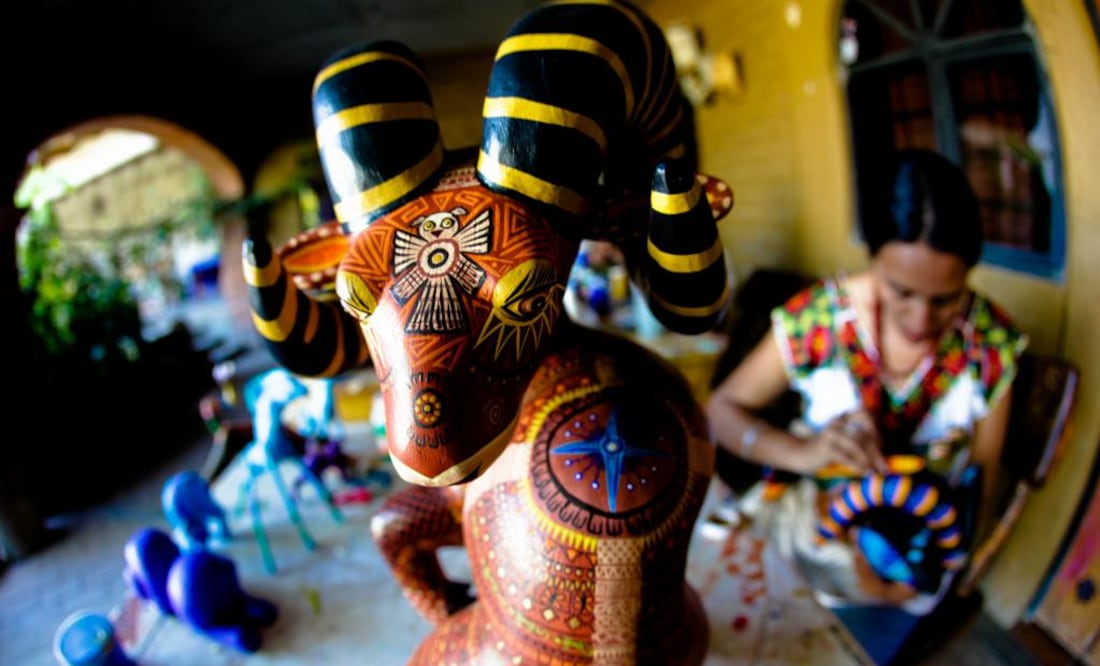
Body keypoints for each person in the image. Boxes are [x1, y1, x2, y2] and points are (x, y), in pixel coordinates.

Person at [705, 149, 1028, 664]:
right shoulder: (821, 318)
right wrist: (803, 452)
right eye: (901, 291)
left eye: (946, 298)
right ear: (873, 256)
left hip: (912, 561)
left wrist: (929, 556)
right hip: (811, 537)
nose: (921, 319)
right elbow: (722, 411)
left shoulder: (989, 344)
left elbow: (981, 487)